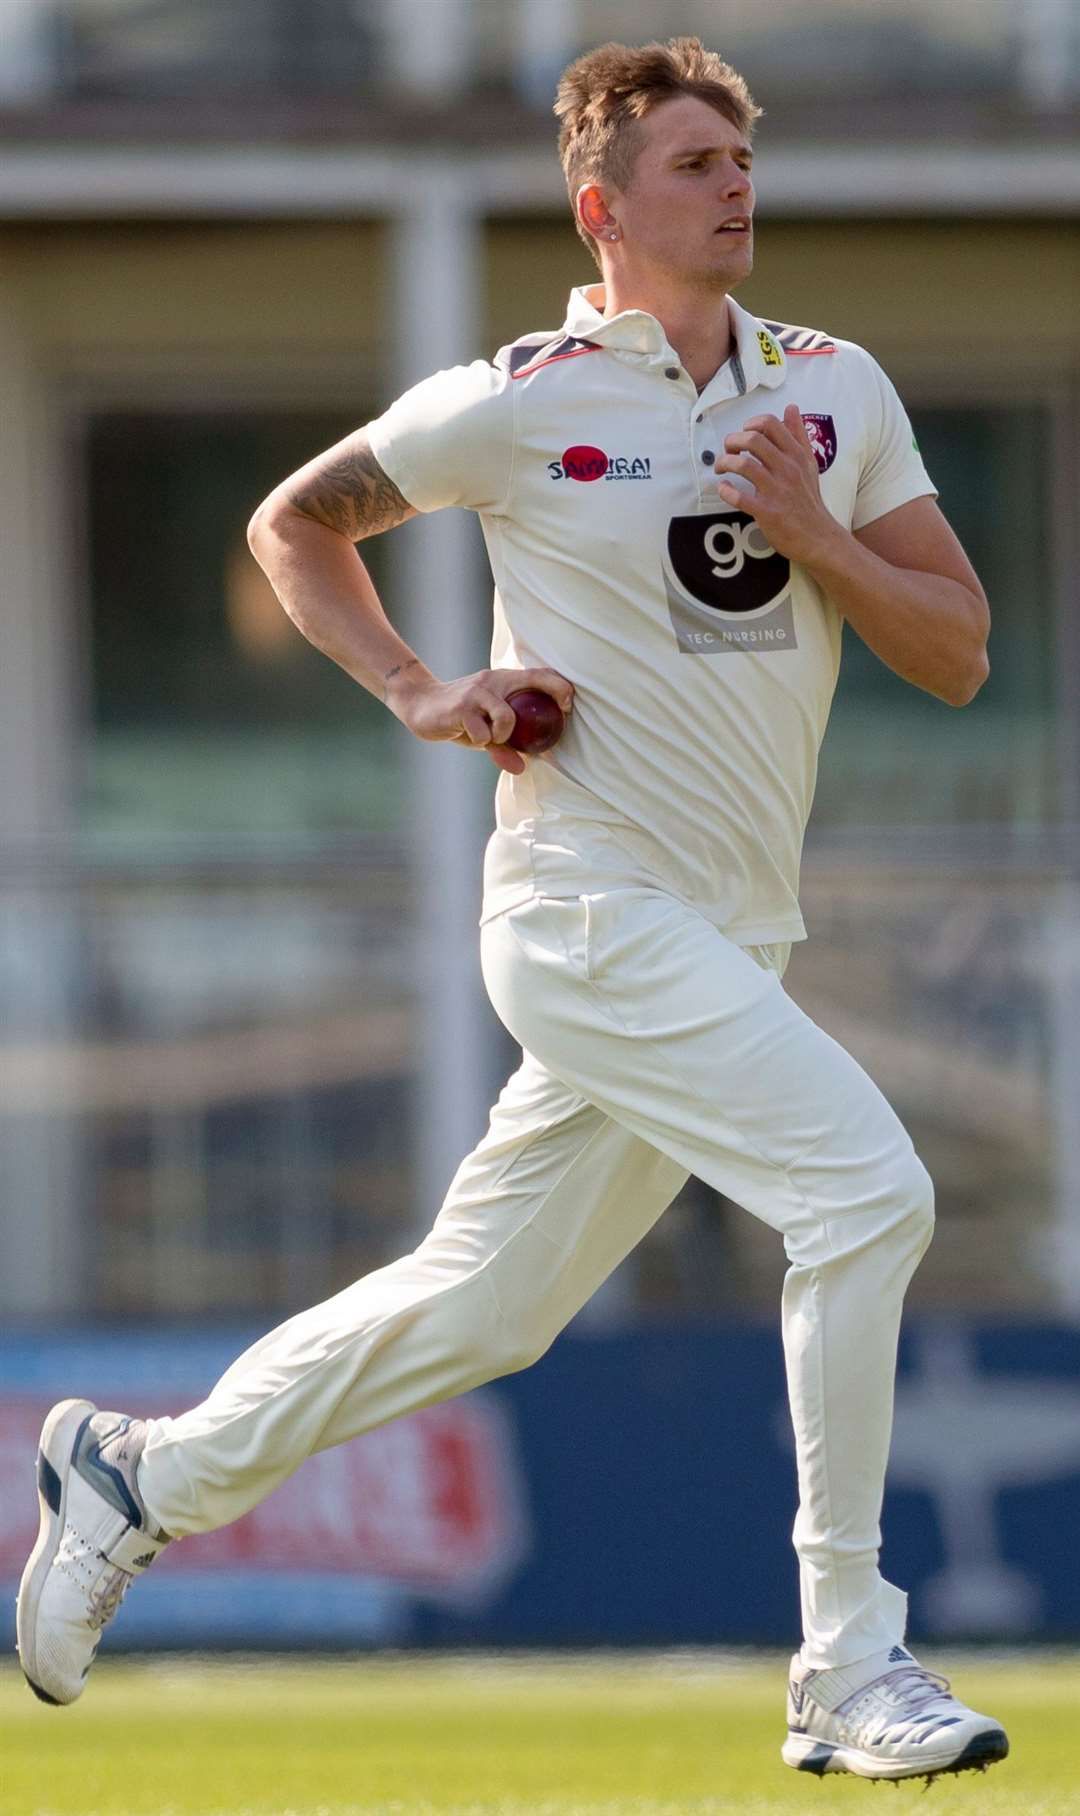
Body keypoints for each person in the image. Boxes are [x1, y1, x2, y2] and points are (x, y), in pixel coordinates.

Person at [18, 36, 1007, 1784]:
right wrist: (420, 691)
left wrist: (818, 531)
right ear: (601, 206)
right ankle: (849, 1659)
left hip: (727, 932)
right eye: (695, 164)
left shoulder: (836, 390)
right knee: (867, 1192)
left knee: (486, 1310)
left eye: (741, 157)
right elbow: (297, 526)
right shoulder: (528, 395)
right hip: (581, 909)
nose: (735, 185)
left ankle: (142, 1477)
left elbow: (958, 646)